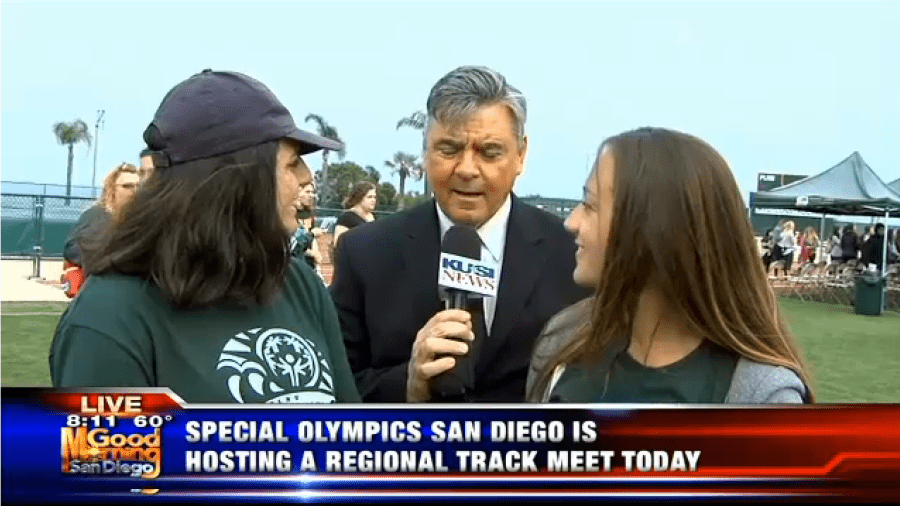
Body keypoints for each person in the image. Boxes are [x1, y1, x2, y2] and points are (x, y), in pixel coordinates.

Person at [50, 69, 360, 404]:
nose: (305, 177)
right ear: (233, 180)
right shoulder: (108, 319)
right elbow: (111, 457)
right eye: (292, 162)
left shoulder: (300, 285)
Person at [330, 65, 589, 403]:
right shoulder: (365, 252)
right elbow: (337, 388)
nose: (467, 169)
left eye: (489, 152)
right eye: (449, 150)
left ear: (521, 155)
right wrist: (410, 383)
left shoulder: (572, 254)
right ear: (426, 151)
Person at [527, 127, 814, 404]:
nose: (571, 222)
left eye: (590, 206)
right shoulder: (564, 340)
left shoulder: (760, 396)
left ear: (652, 231)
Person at [61, 163, 140, 297]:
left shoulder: (144, 218)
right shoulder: (95, 216)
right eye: (127, 186)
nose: (134, 190)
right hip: (99, 292)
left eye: (138, 186)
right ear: (112, 189)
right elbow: (71, 249)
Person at [292, 181, 325, 274]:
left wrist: (316, 251)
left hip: (307, 265)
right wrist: (311, 252)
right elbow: (293, 246)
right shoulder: (289, 215)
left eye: (312, 192)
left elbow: (311, 237)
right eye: (307, 192)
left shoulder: (308, 215)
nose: (311, 195)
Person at [332, 181, 377, 247]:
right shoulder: (346, 218)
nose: (373, 200)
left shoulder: (374, 217)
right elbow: (338, 244)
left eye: (374, 197)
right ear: (359, 197)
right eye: (369, 197)